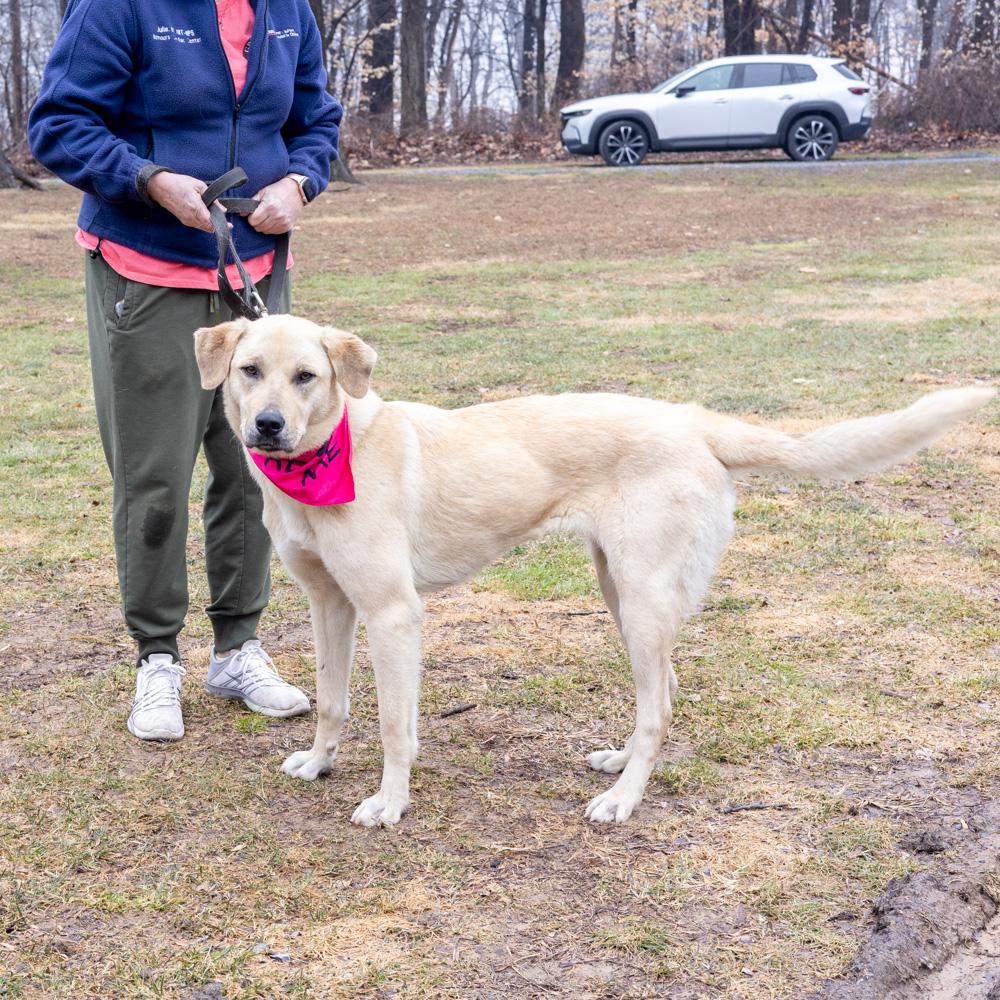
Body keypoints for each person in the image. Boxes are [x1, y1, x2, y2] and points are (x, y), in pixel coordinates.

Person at [28, 0, 342, 741]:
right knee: (155, 479)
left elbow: (316, 121)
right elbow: (60, 125)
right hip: (146, 275)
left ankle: (238, 648)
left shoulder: (288, 10)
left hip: (252, 276)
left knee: (256, 469)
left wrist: (300, 182)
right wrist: (147, 179)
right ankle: (157, 656)